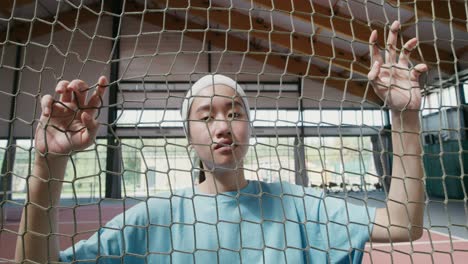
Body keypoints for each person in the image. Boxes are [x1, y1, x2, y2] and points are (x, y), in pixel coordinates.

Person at [15, 20, 426, 263]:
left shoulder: (300, 206)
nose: (223, 126)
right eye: (205, 115)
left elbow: (403, 224)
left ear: (250, 127)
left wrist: (404, 116)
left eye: (234, 112)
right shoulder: (154, 218)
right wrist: (47, 165)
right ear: (187, 135)